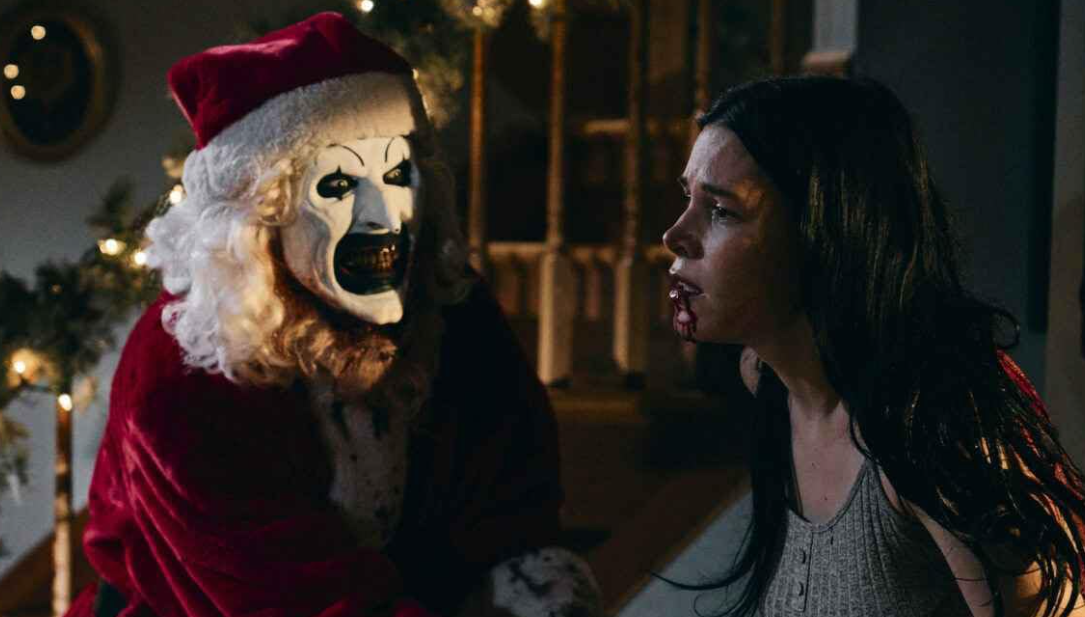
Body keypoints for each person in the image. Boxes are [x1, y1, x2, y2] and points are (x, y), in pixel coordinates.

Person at [63, 12, 601, 617]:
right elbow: (295, 599)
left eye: (397, 175)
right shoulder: (182, 370)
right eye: (339, 186)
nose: (384, 217)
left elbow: (514, 508)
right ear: (260, 218)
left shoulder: (451, 305)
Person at [662, 76, 1085, 617]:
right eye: (689, 198)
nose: (674, 235)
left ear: (825, 230)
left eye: (722, 211)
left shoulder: (933, 429)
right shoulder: (768, 377)